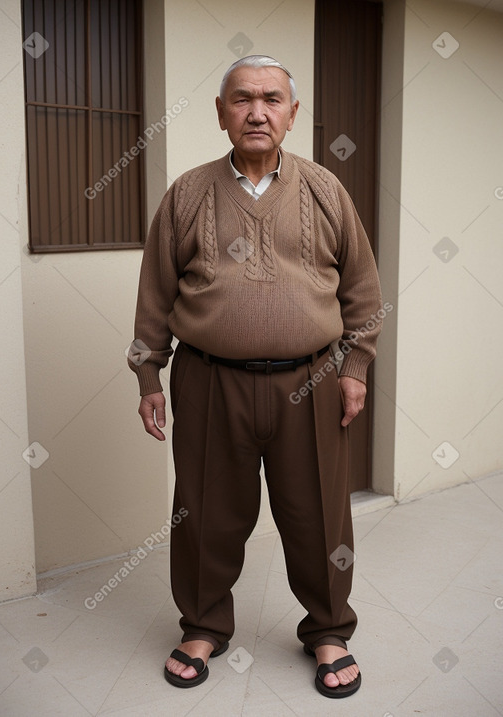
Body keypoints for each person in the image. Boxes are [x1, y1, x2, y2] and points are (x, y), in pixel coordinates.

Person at [128, 55, 382, 699]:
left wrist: (354, 366)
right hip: (210, 381)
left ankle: (328, 629)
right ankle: (203, 625)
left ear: (293, 114)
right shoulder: (187, 192)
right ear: (221, 114)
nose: (257, 111)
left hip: (311, 382)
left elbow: (360, 288)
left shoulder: (326, 189)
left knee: (319, 516)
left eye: (272, 99)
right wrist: (149, 376)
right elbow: (155, 293)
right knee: (205, 512)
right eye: (241, 99)